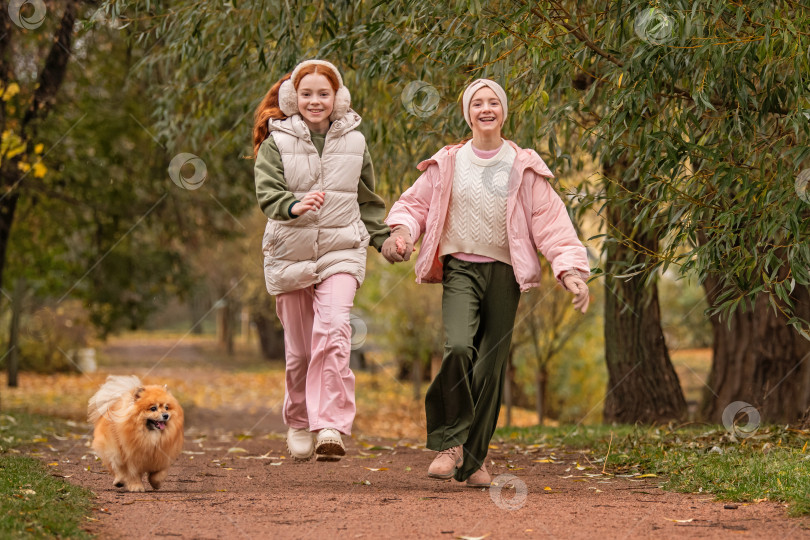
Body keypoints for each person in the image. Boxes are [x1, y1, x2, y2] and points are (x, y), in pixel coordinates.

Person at [382, 79, 591, 487]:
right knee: (459, 347)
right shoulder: (449, 162)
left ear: (504, 112)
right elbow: (414, 205)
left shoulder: (522, 166)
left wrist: (570, 272)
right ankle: (450, 444)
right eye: (477, 103)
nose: (486, 108)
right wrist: (401, 234)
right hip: (460, 268)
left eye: (493, 102)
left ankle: (474, 460)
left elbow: (551, 224)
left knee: (490, 368)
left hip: (504, 273)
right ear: (468, 114)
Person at [253, 59, 391, 462]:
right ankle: (298, 420)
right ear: (293, 97)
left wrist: (383, 240)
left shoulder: (356, 142)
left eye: (324, 94)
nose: (315, 101)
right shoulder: (276, 141)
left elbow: (367, 200)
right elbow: (268, 193)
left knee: (333, 331)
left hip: (341, 248)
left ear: (338, 98)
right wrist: (293, 205)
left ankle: (330, 425)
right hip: (290, 251)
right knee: (299, 351)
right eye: (307, 93)